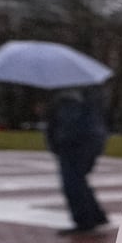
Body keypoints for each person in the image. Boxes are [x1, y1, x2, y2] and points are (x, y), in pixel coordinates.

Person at [45, 86, 109, 235]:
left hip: (75, 147)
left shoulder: (70, 100)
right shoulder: (86, 97)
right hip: (84, 145)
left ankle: (85, 221)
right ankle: (96, 216)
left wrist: (57, 141)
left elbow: (68, 127)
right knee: (78, 181)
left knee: (73, 183)